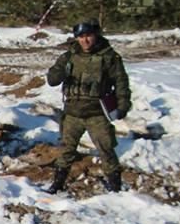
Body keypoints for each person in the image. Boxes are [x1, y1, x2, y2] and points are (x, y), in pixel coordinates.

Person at [46, 19, 131, 193]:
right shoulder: (69, 56)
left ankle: (115, 186)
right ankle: (57, 184)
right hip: (73, 113)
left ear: (96, 35)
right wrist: (62, 72)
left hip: (97, 113)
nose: (85, 41)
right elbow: (52, 79)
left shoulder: (109, 57)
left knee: (106, 149)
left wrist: (123, 105)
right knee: (66, 150)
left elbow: (121, 82)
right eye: (81, 37)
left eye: (89, 36)